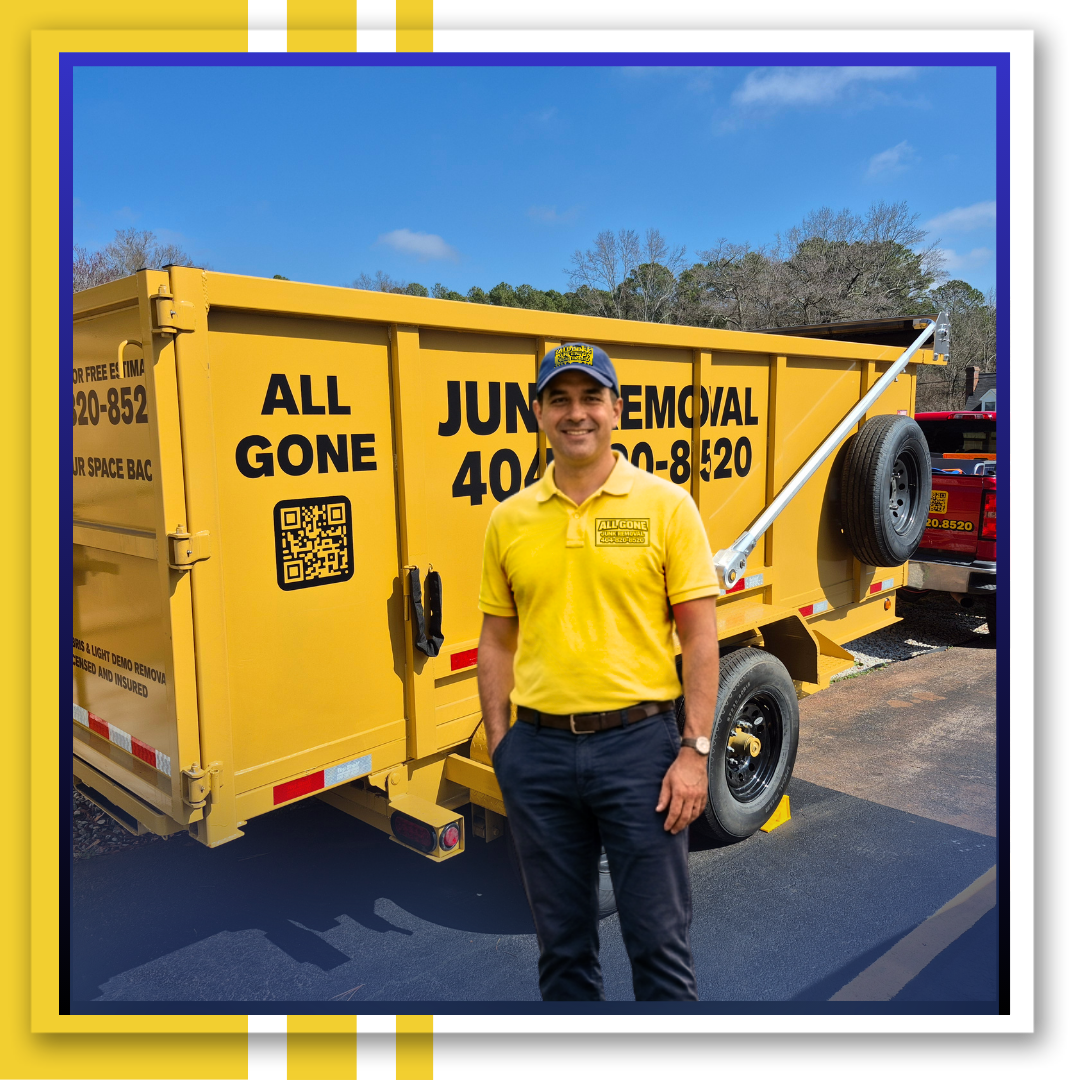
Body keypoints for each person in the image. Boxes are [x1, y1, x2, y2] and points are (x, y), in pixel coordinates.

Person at [477, 342, 721, 1001]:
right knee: (562, 954)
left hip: (640, 751)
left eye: (591, 398)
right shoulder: (509, 520)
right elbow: (495, 641)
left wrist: (694, 751)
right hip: (539, 752)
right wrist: (504, 747)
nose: (575, 413)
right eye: (560, 399)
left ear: (616, 409)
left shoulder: (667, 506)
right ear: (538, 414)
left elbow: (700, 639)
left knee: (660, 949)